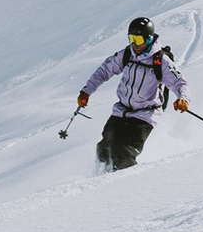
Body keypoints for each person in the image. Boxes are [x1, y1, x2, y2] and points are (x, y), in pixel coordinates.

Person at [76, 16, 189, 170]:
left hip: (144, 115)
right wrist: (86, 92)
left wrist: (183, 98)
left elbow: (180, 82)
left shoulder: (161, 61)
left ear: (149, 39)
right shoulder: (127, 54)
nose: (134, 44)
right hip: (121, 111)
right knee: (103, 149)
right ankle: (100, 179)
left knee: (124, 152)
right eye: (131, 39)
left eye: (138, 39)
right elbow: (104, 70)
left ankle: (130, 182)